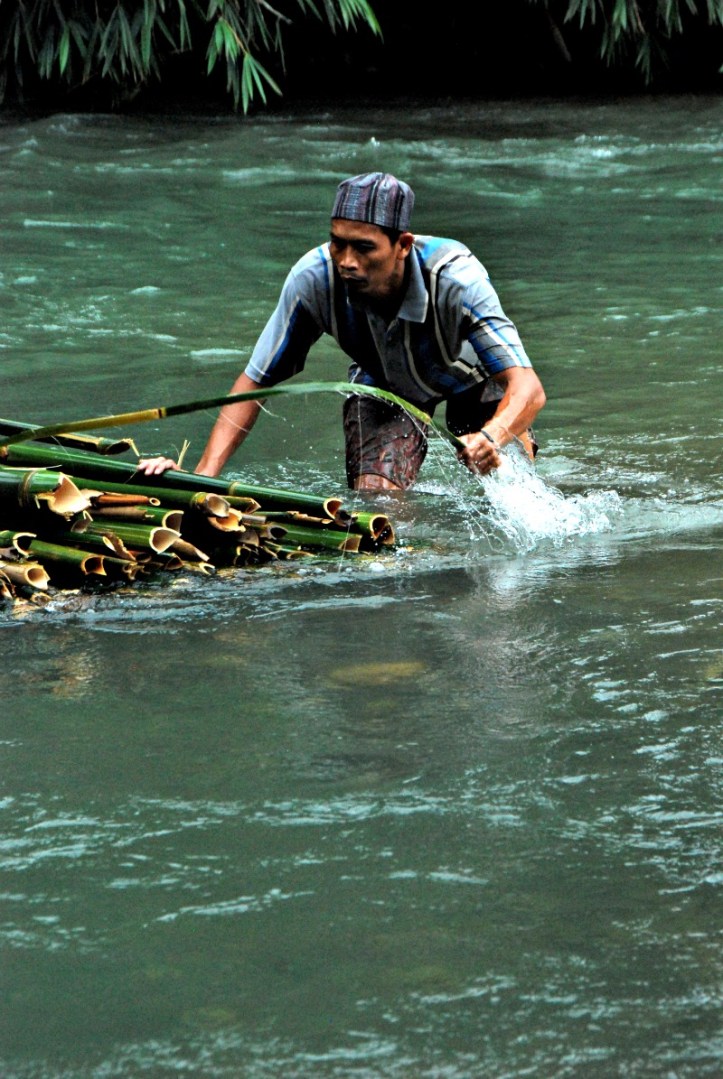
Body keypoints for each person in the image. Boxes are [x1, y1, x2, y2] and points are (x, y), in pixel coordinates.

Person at [139, 172, 545, 489]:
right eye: (337, 243)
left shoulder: (456, 278)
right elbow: (255, 382)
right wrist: (203, 478)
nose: (346, 261)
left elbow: (527, 388)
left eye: (364, 248)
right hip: (383, 383)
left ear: (402, 245)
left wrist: (491, 438)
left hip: (474, 379)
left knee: (510, 490)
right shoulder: (314, 279)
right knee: (376, 500)